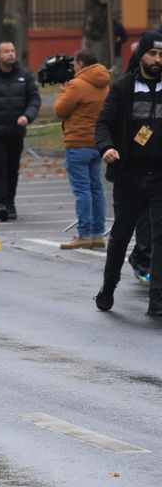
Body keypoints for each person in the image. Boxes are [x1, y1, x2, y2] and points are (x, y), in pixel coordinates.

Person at [94, 31, 162, 318]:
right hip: (130, 175)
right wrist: (107, 148)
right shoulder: (124, 88)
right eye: (153, 54)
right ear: (142, 55)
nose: (158, 60)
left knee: (161, 238)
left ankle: (157, 298)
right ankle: (109, 286)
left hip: (160, 176)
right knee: (121, 235)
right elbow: (103, 124)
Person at [54, 48, 110, 249]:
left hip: (77, 143)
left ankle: (84, 233)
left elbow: (60, 110)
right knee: (96, 189)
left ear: (81, 64)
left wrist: (63, 90)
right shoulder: (103, 83)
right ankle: (97, 233)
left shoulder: (77, 84)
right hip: (97, 143)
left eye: (75, 64)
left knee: (82, 191)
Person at [0, 41, 39, 221]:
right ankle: (1, 203)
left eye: (12, 50)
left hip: (16, 131)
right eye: (6, 51)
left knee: (13, 168)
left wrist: (28, 116)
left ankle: (10, 202)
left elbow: (34, 99)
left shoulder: (24, 76)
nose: (11, 54)